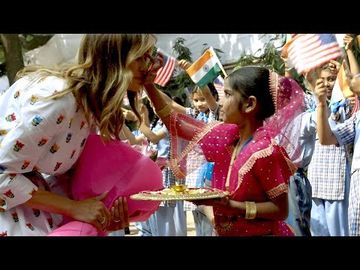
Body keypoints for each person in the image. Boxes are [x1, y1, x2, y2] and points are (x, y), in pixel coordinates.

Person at [0, 34, 157, 236]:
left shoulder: (86, 105)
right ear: (112, 58)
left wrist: (102, 216)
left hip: (32, 216)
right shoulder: (59, 100)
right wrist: (74, 208)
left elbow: (63, 179)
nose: (148, 67)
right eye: (140, 58)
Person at [143, 65, 305, 236]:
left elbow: (280, 210)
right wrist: (148, 85)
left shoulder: (265, 151)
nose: (220, 102)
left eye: (227, 95)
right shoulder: (228, 137)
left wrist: (232, 206)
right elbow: (176, 124)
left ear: (250, 104)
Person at [314, 71, 360, 236]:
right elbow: (325, 138)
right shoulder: (356, 118)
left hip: (337, 181)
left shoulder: (347, 104)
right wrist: (320, 105)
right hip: (318, 181)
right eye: (323, 79)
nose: (326, 84)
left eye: (332, 79)